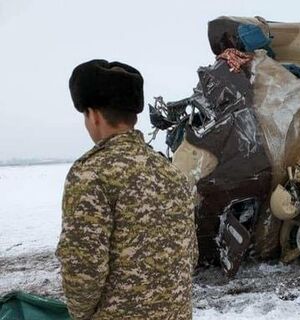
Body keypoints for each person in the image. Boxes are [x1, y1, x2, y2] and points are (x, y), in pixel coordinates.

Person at [56, 59, 198, 320]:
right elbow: (191, 253)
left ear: (94, 116)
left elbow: (82, 269)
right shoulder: (171, 172)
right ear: (133, 116)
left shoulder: (91, 174)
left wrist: (80, 314)